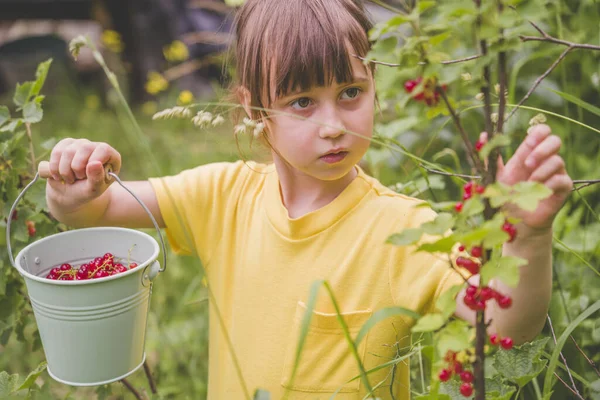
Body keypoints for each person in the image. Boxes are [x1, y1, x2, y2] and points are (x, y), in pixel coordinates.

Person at [44, 0, 573, 398]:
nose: (333, 127)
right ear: (255, 110)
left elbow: (505, 324)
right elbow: (95, 212)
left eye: (350, 93)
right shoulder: (223, 195)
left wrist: (528, 236)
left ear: (374, 86)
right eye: (301, 102)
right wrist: (74, 188)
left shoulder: (402, 228)